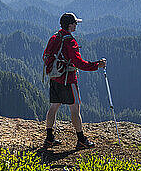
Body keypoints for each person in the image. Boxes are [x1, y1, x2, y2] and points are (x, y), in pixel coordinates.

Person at [42, 12, 106, 150]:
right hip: (68, 79)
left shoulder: (54, 37)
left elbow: (45, 56)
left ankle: (49, 138)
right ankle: (81, 139)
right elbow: (79, 63)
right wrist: (96, 65)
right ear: (70, 25)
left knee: (53, 107)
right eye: (75, 23)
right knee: (75, 108)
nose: (76, 25)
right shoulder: (70, 41)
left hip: (54, 77)